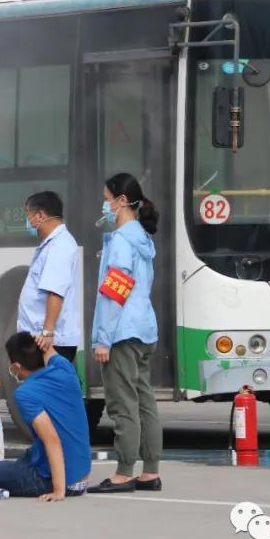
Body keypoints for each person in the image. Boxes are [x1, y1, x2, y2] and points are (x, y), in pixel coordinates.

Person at [87, 172, 162, 494]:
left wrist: (103, 338)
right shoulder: (143, 239)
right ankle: (150, 471)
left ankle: (123, 472)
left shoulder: (121, 241)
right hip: (145, 329)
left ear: (120, 202)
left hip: (122, 332)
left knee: (122, 403)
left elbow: (115, 292)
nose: (104, 206)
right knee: (145, 401)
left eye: (106, 200)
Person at [0, 332, 91, 501]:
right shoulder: (64, 368)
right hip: (78, 473)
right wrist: (42, 338)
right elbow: (49, 350)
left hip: (53, 480)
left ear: (16, 366)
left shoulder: (25, 393)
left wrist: (59, 491)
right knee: (18, 461)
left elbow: (52, 439)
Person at [18, 191, 83, 361]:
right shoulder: (52, 244)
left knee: (48, 386)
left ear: (40, 215)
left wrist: (47, 332)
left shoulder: (59, 246)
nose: (28, 222)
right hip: (43, 338)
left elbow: (55, 291)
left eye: (28, 215)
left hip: (49, 341)